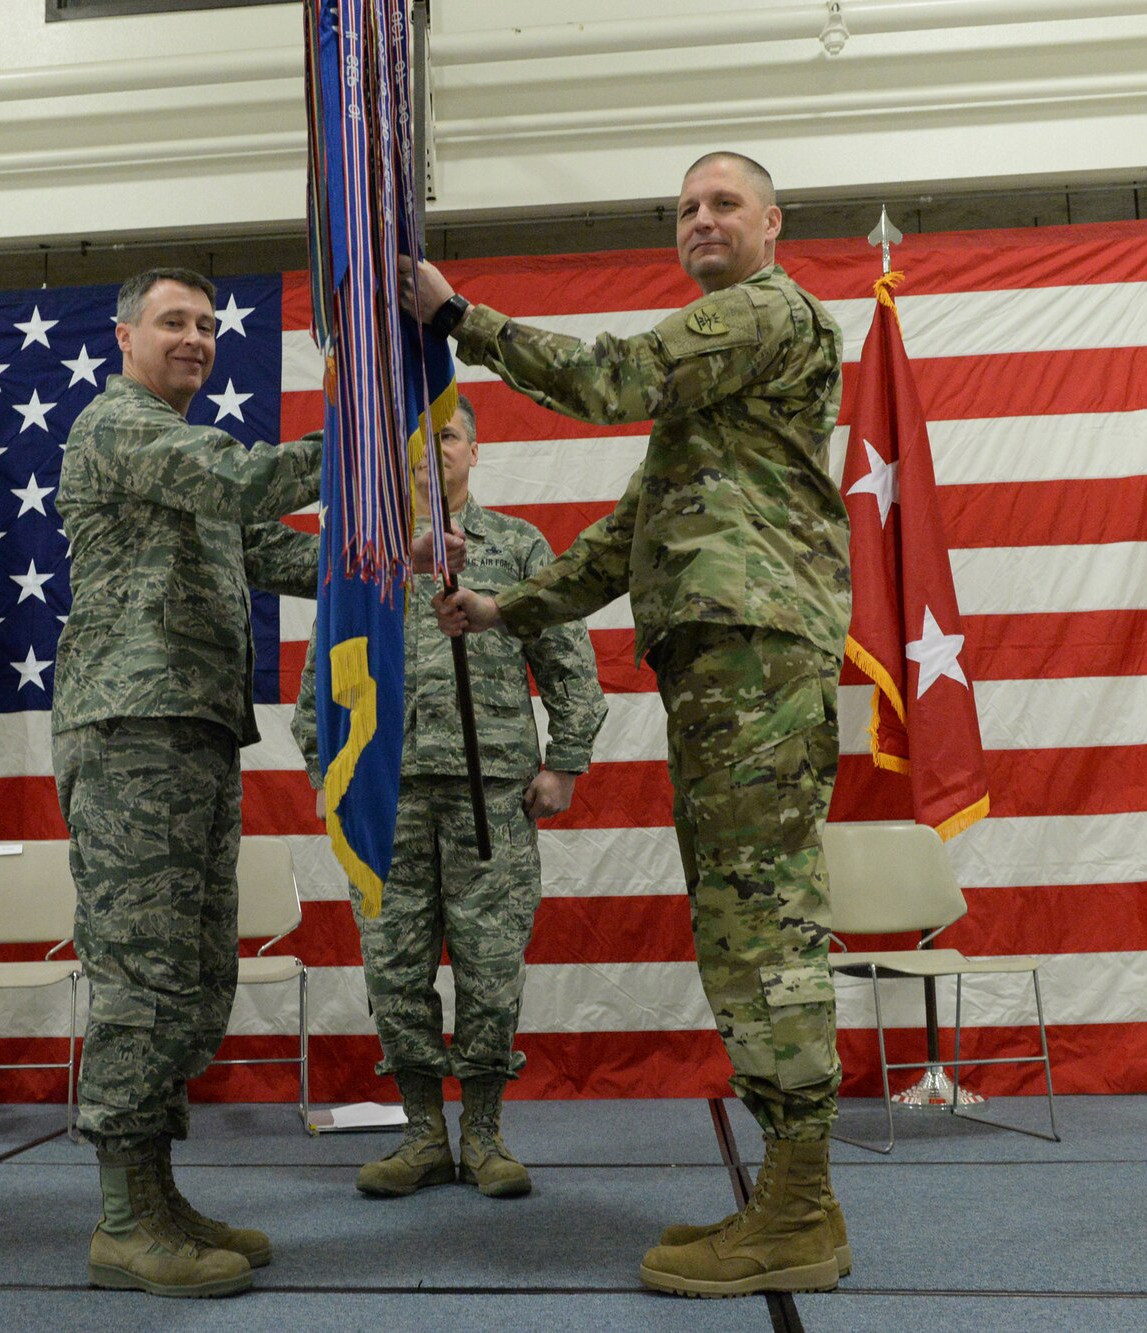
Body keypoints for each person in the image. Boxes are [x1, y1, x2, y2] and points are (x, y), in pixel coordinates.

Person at [412, 151, 855, 1298]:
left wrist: (462, 319)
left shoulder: (766, 313)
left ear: (770, 223)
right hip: (724, 660)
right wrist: (506, 606)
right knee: (736, 921)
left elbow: (611, 377)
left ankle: (800, 1207)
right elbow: (624, 539)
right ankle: (787, 1195)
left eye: (722, 204)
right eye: (685, 210)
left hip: (755, 654)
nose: (700, 220)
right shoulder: (716, 401)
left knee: (763, 925)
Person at [53, 267, 460, 1298]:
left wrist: (383, 556)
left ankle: (155, 1194)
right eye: (171, 322)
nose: (193, 338)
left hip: (188, 727)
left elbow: (269, 552)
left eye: (204, 324)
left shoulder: (175, 454)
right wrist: (362, 451)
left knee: (190, 972)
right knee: (143, 975)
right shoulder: (121, 426)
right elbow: (241, 486)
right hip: (129, 730)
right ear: (124, 336)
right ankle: (119, 1218)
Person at [292, 394, 605, 1202]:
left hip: (490, 795)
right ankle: (425, 1133)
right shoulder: (364, 557)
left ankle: (486, 1133)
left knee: (491, 970)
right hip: (386, 800)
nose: (434, 453)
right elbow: (318, 684)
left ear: (475, 450)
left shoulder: (516, 545)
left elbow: (569, 658)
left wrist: (563, 764)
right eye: (418, 442)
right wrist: (336, 778)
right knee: (394, 972)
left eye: (450, 436)